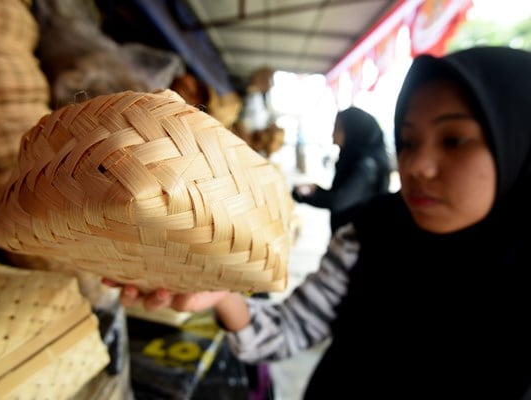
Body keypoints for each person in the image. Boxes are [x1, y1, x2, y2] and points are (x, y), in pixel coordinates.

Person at [105, 46, 531, 398]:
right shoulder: (368, 235)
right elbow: (291, 327)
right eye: (408, 140)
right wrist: (221, 296)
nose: (417, 165)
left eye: (454, 140)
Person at [291, 106, 391, 234]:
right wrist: (316, 189)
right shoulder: (353, 159)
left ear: (354, 132)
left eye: (338, 129)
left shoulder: (366, 167)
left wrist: (303, 196)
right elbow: (344, 193)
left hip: (355, 244)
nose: (333, 135)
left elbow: (338, 200)